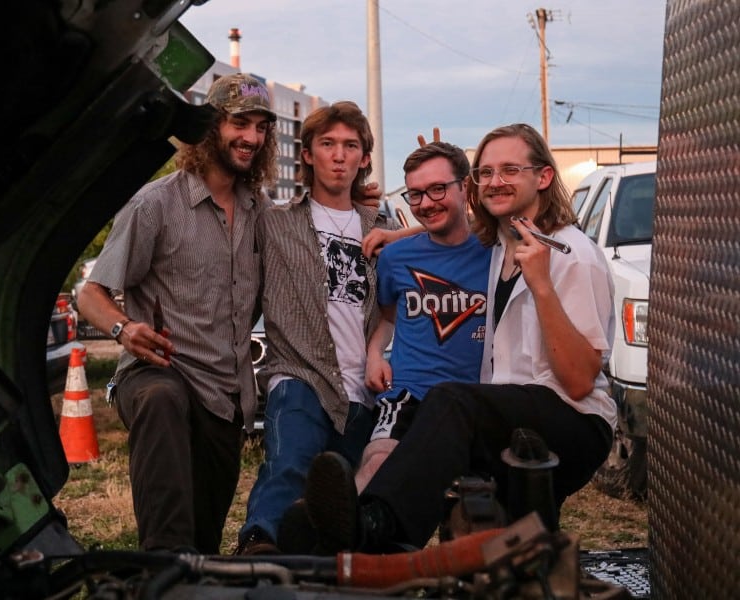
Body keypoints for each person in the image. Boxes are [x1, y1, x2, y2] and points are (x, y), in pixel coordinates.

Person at [302, 123, 617, 553]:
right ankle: (352, 545)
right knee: (420, 418)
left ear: (543, 177)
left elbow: (580, 381)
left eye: (510, 169)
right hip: (514, 408)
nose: (495, 181)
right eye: (485, 173)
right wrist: (400, 234)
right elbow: (452, 227)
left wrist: (541, 286)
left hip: (574, 419)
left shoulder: (572, 255)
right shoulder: (502, 243)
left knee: (452, 401)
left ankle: (378, 524)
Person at [76, 73, 278, 554]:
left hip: (227, 398)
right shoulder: (156, 204)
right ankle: (159, 569)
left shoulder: (261, 211)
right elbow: (91, 293)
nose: (251, 137)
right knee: (162, 401)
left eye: (261, 128)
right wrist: (124, 329)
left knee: (204, 544)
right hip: (160, 374)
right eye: (239, 123)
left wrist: (368, 213)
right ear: (211, 127)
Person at [233, 101, 401, 555]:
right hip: (300, 372)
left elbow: (437, 247)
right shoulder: (275, 221)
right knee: (289, 460)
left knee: (343, 494)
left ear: (364, 157)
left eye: (350, 146)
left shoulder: (381, 225)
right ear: (307, 154)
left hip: (362, 385)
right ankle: (258, 545)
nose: (339, 155)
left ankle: (325, 569)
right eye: (327, 144)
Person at [354, 141, 491, 493]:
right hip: (409, 393)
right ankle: (349, 538)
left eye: (437, 189)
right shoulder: (395, 258)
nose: (426, 203)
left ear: (465, 186)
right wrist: (373, 356)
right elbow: (387, 318)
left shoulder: (498, 250)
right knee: (377, 464)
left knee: (476, 503)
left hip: (480, 396)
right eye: (415, 195)